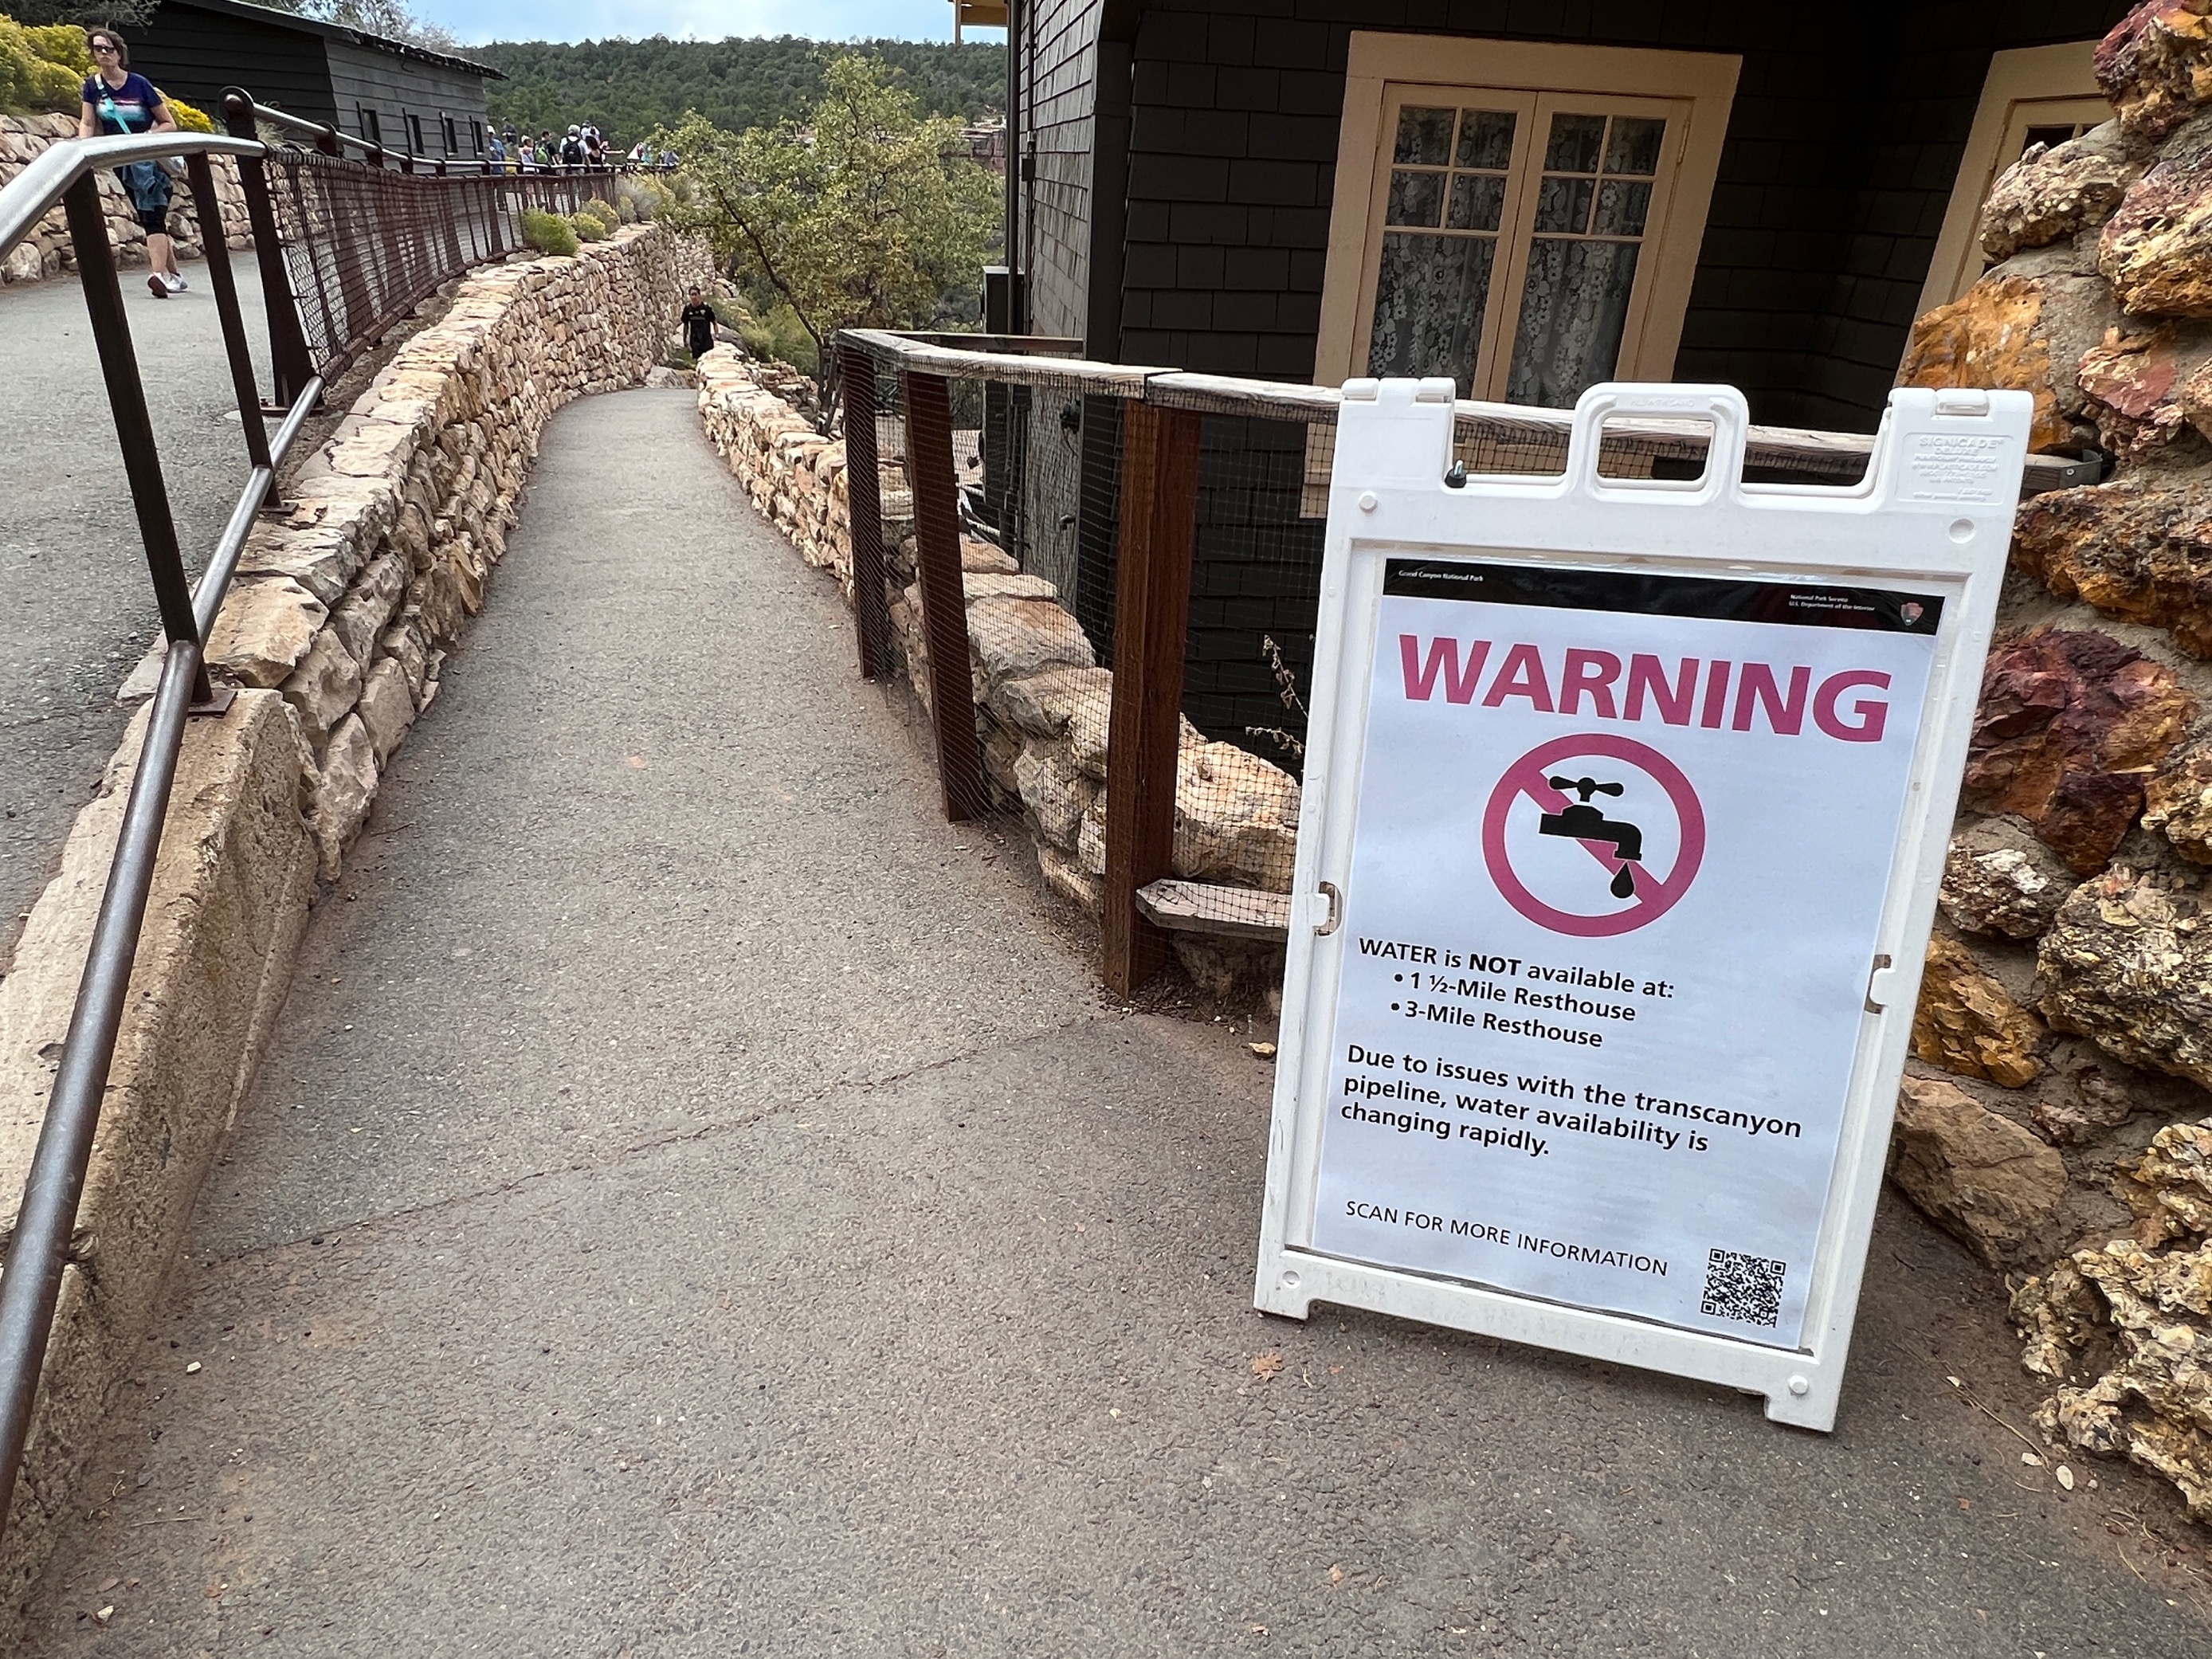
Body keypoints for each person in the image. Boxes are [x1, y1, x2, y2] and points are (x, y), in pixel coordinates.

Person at [77, 27, 183, 299]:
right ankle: (177, 277)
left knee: (153, 215)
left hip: (150, 161)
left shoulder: (139, 84)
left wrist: (147, 136)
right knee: (151, 218)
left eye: (108, 48)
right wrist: (83, 149)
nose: (103, 53)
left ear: (119, 52)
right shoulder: (92, 86)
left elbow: (169, 123)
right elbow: (88, 122)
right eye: (98, 48)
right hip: (123, 161)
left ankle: (158, 276)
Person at [680, 287, 716, 360]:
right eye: (692, 295)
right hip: (695, 341)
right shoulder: (688, 309)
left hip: (706, 340)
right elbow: (686, 325)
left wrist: (717, 335)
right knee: (697, 361)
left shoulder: (706, 308)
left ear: (699, 295)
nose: (694, 297)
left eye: (695, 294)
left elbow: (714, 322)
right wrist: (684, 339)